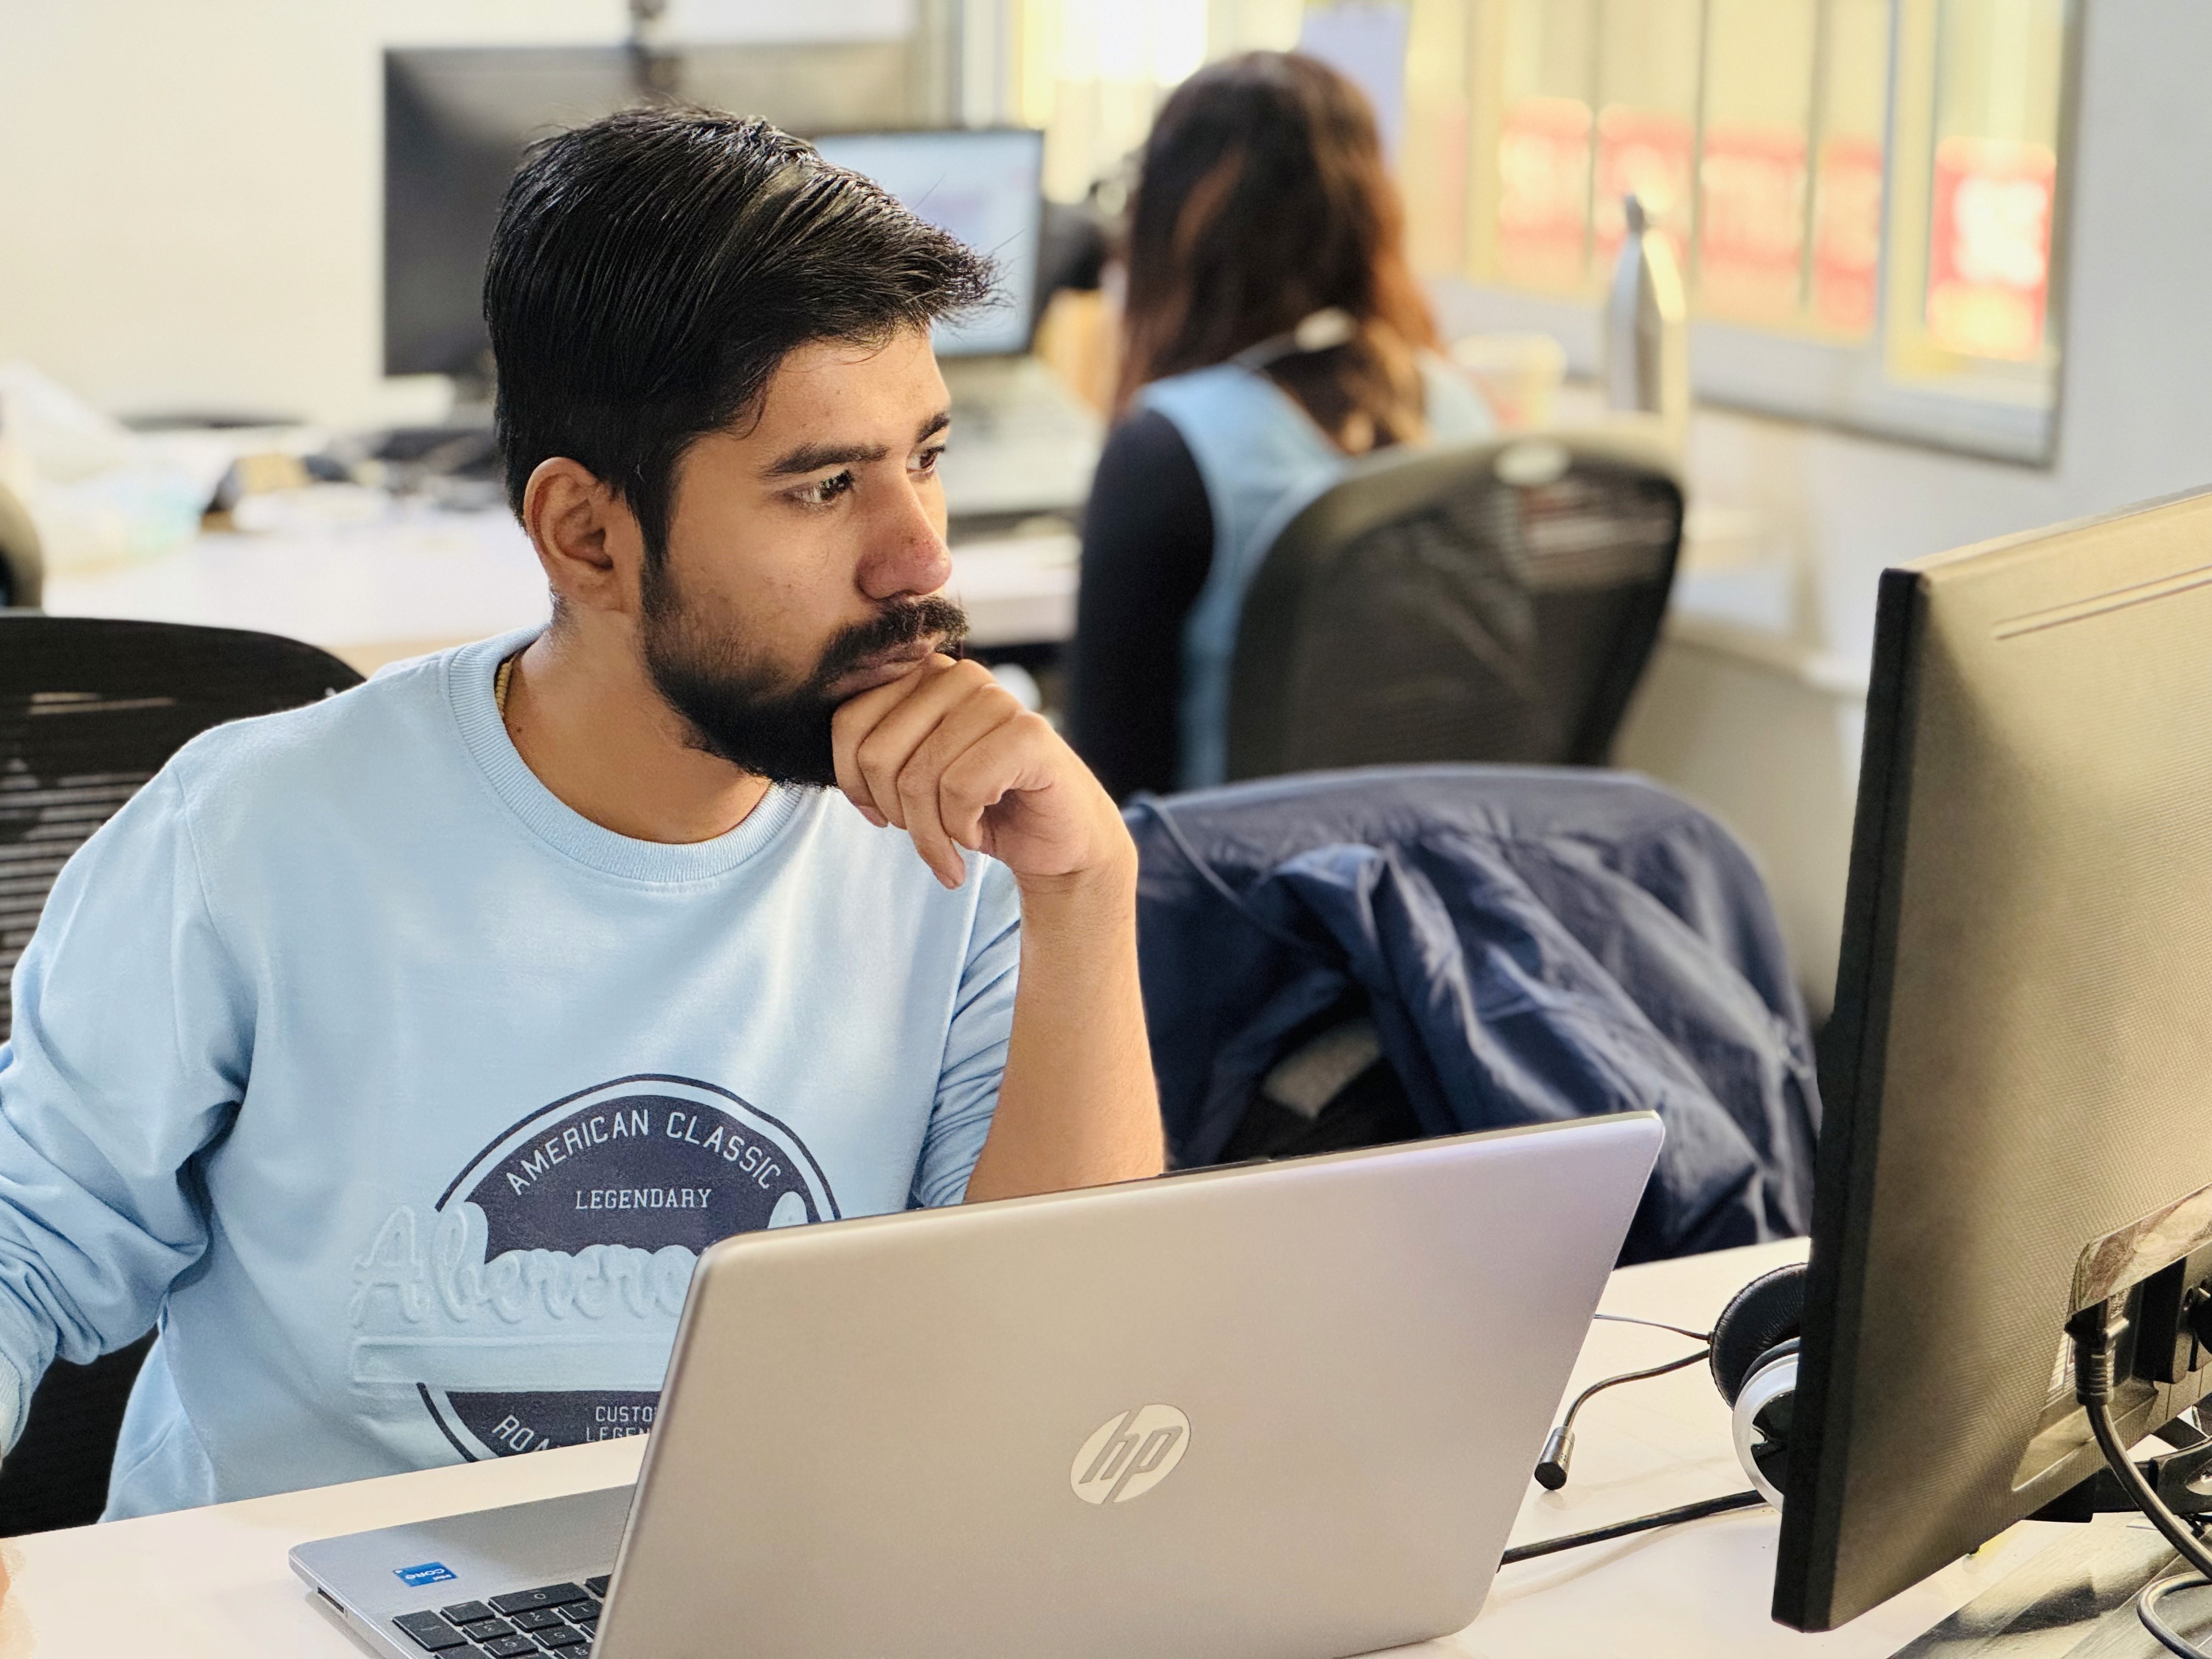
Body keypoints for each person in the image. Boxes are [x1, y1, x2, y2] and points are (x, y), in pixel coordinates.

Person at [0, 108, 1161, 1525]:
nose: (919, 552)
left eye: (926, 457)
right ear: (589, 537)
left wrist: (1088, 891)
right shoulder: (252, 836)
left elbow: (1039, 1372)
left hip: (768, 1598)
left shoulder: (963, 851)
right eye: (824, 485)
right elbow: (23, 1248)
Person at [1068, 52, 1496, 800]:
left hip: (1231, 899)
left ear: (1168, 226)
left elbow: (1101, 789)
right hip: (1436, 887)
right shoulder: (1462, 410)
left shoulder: (1168, 452)